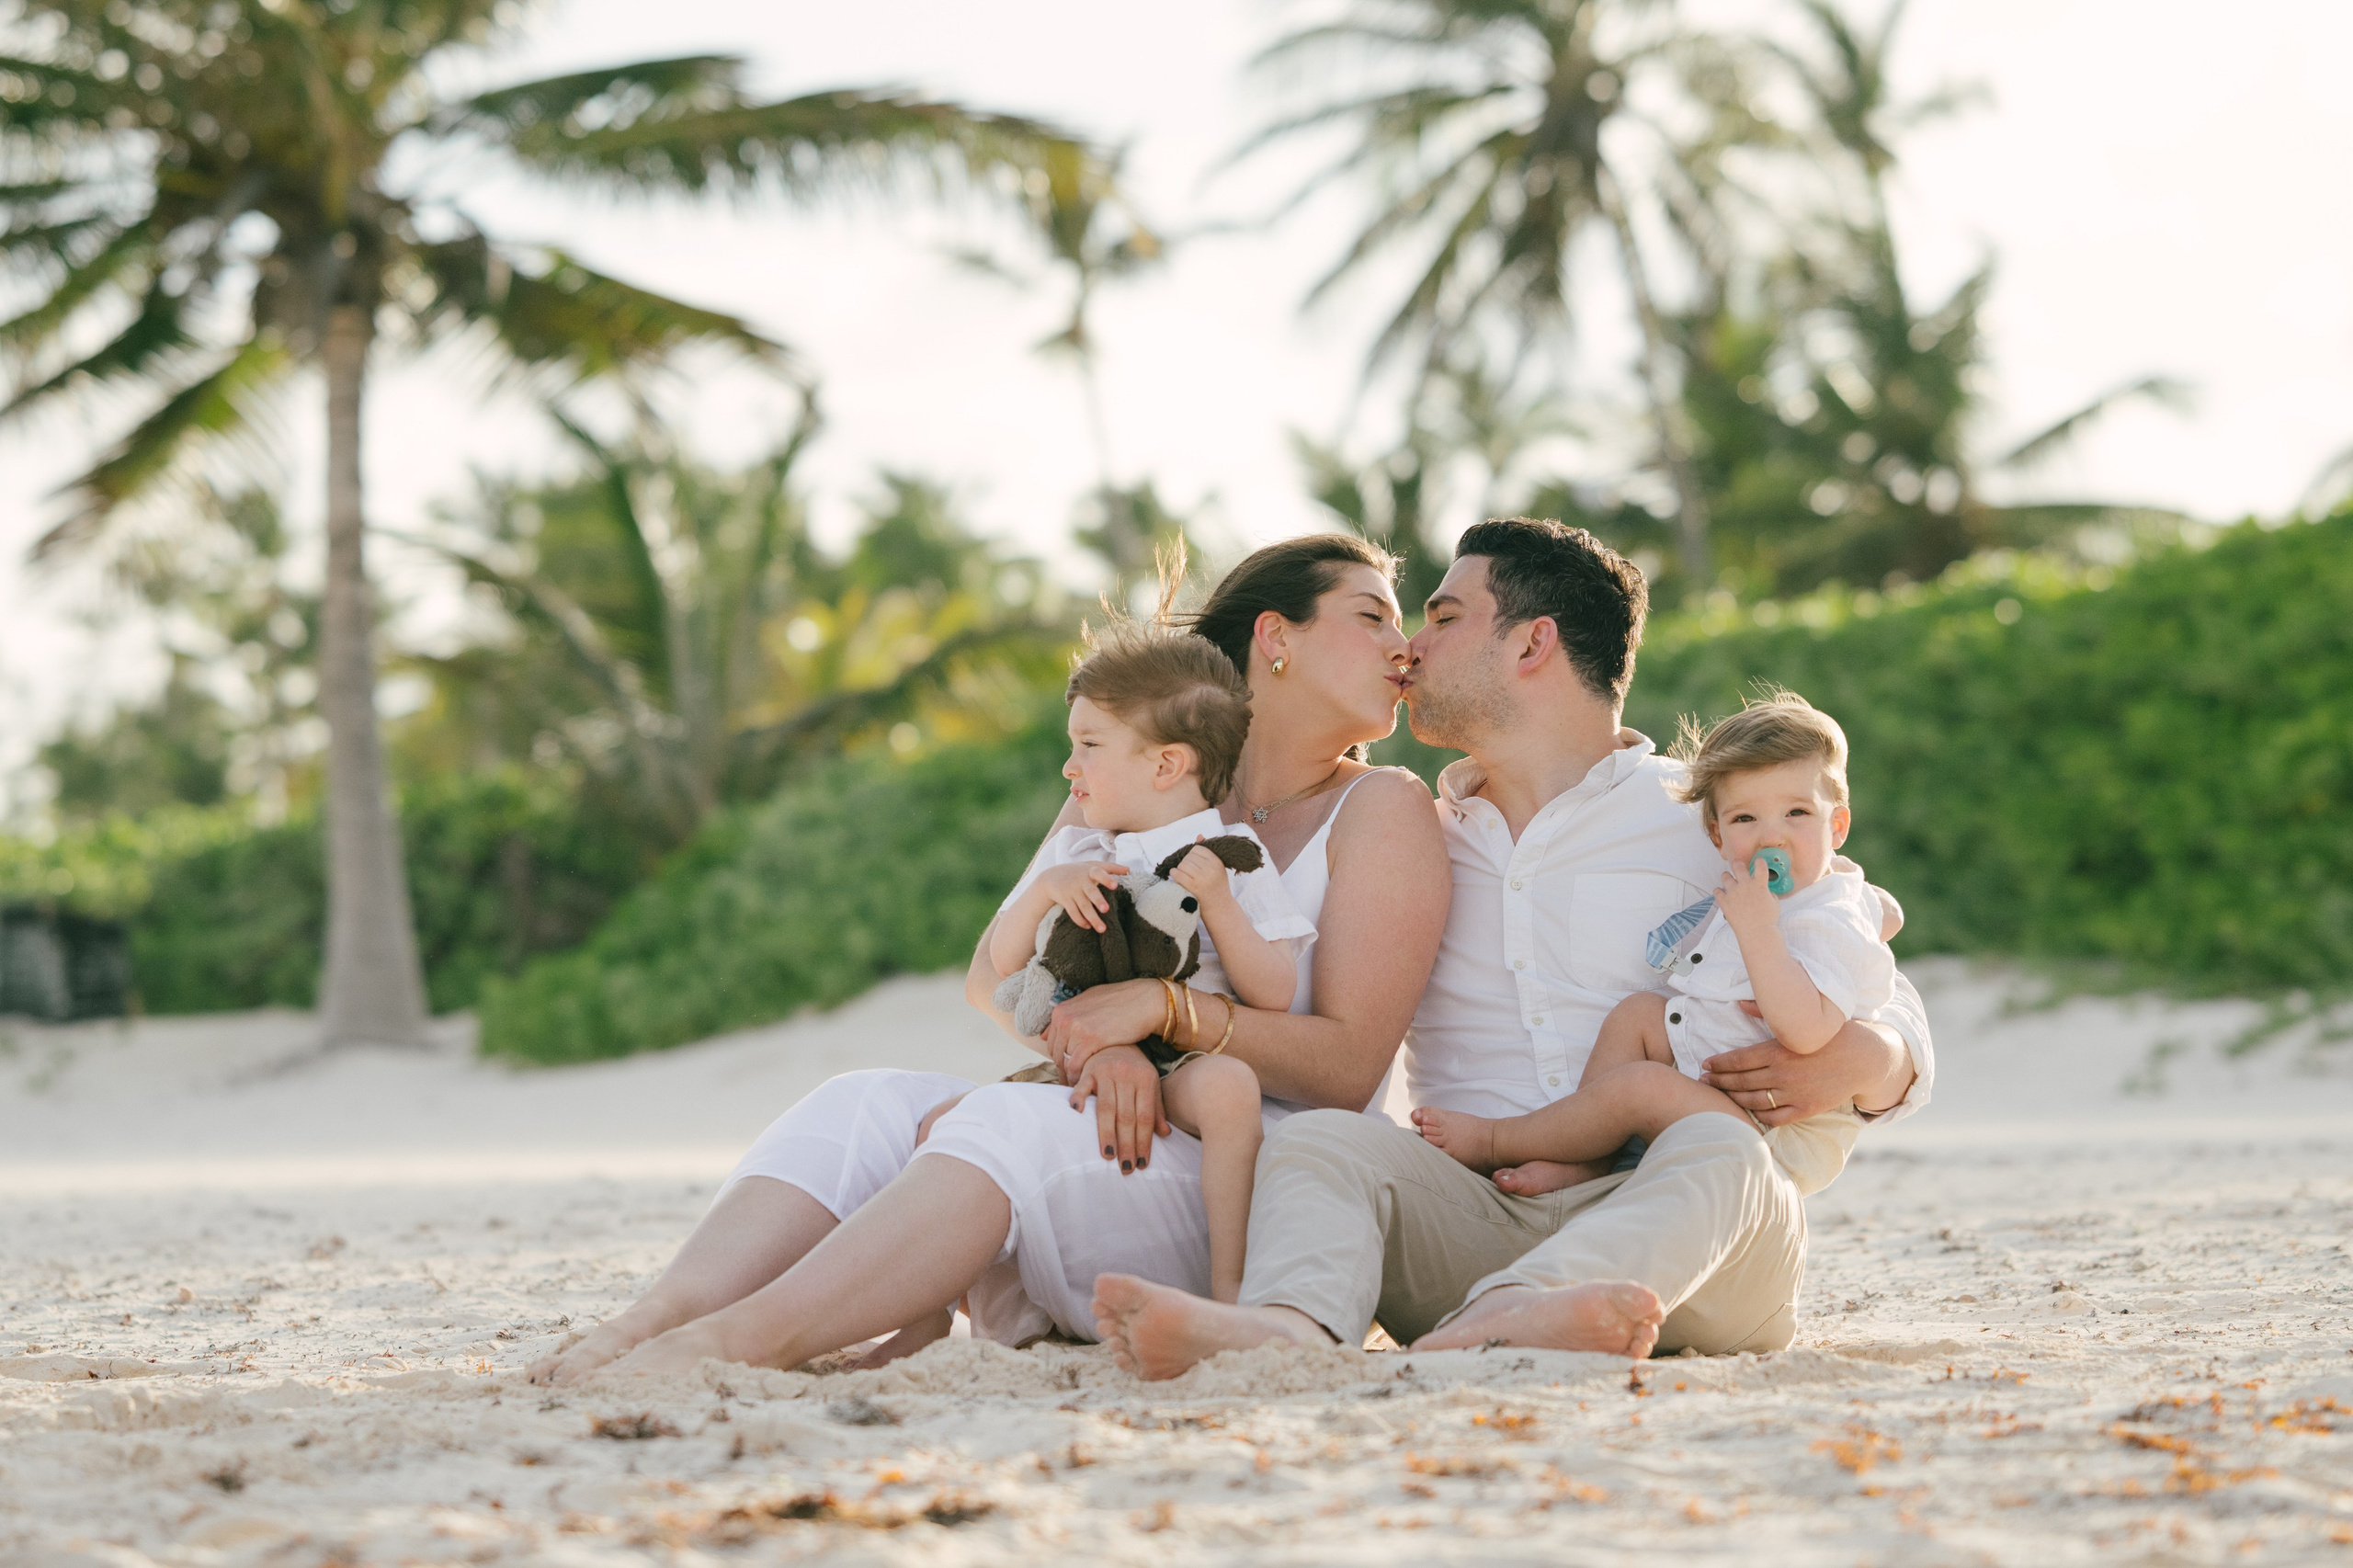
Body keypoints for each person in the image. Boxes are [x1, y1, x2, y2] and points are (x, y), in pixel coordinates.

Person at [527, 534, 1449, 1383]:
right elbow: (989, 977)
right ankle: (655, 1318)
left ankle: (741, 1340)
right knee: (865, 1102)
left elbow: (1347, 1068)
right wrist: (1103, 1048)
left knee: (1005, 1123)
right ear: (1275, 638)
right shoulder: (1126, 776)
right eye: (1372, 616)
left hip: (1247, 1182)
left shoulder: (1381, 807)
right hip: (1117, 1132)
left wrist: (1162, 1019)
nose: (1402, 646)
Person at [1093, 517, 1935, 1378]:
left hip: (1687, 1235)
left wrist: (1874, 1056)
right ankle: (1292, 1328)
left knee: (1726, 1151)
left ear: (1533, 643)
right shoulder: (1407, 836)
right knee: (1321, 1144)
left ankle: (1526, 1309)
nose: (1411, 647)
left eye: (1443, 617)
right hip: (1473, 1216)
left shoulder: (1709, 817)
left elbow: (1858, 955)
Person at [1412, 689, 1892, 1199]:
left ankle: (1497, 1140)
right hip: (1715, 1079)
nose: (1771, 837)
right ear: (1716, 836)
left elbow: (1808, 1032)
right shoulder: (1757, 894)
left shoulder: (1831, 915)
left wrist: (1759, 932)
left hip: (1776, 1130)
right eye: (1745, 819)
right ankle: (1588, 1158)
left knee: (1641, 1087)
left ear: (1837, 826)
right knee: (1638, 1015)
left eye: (1797, 812)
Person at [966, 619, 1315, 1312]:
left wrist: (1219, 905)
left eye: (1089, 746)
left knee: (1231, 1089)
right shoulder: (1077, 853)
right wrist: (1044, 891)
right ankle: (941, 1318)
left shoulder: (1233, 858)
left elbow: (1274, 992)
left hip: (1183, 1063)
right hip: (1083, 1056)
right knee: (959, 1121)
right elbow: (1003, 971)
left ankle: (1230, 1282)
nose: (1070, 768)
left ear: (1166, 766)